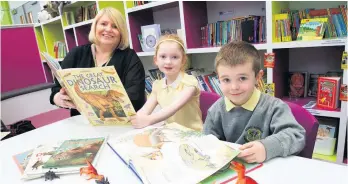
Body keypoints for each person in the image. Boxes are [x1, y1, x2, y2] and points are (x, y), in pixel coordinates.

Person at [203, 41, 306, 163]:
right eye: (226, 80)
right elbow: (207, 142)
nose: (234, 87)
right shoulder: (216, 110)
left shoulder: (274, 107)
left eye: (242, 78)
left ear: (258, 77)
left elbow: (297, 135)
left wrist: (266, 148)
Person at [50, 7, 146, 116]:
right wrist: (57, 98)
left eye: (115, 26)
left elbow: (136, 97)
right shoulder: (76, 54)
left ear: (121, 32)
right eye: (103, 24)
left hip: (119, 123)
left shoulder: (130, 57)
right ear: (95, 27)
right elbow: (57, 88)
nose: (108, 29)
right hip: (83, 123)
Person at [130, 34, 203, 131]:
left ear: (183, 60)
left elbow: (173, 108)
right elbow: (145, 110)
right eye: (163, 56)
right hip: (171, 134)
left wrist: (148, 120)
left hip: (193, 134)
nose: (168, 61)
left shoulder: (189, 82)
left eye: (174, 57)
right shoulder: (157, 85)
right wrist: (136, 118)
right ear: (156, 60)